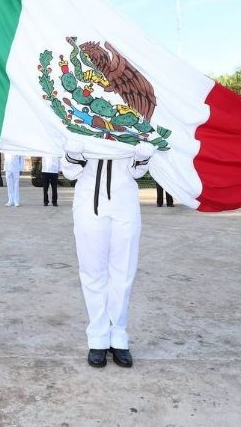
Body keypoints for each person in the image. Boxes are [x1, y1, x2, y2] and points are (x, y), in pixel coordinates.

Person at [61, 141, 156, 369]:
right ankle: (98, 339)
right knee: (92, 270)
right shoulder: (79, 113)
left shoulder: (132, 115)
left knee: (124, 271)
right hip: (88, 202)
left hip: (124, 202)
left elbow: (137, 171)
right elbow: (70, 171)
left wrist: (143, 154)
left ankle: (119, 336)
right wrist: (73, 151)